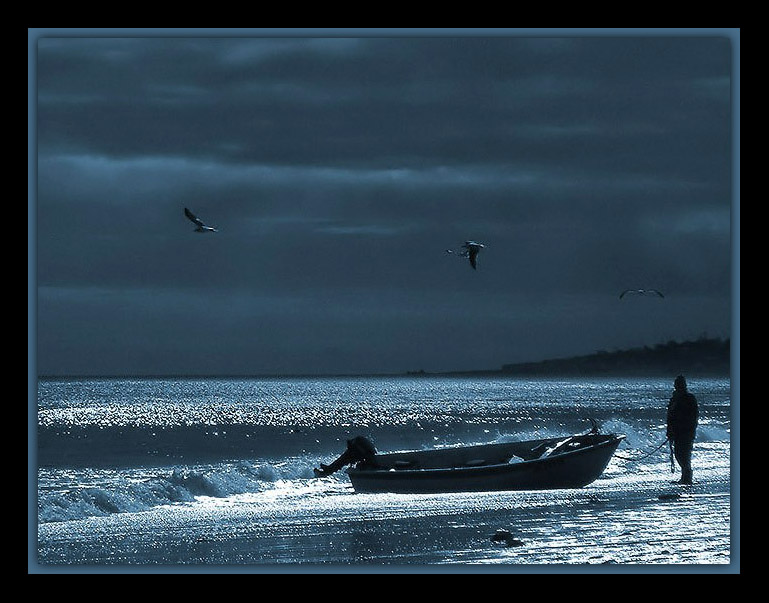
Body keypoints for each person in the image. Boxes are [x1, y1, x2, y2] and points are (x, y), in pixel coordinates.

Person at [666, 374, 699, 485]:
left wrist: (687, 429)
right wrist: (669, 431)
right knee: (678, 454)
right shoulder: (674, 399)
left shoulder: (689, 398)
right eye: (677, 384)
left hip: (686, 432)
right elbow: (670, 417)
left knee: (683, 455)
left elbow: (693, 417)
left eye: (679, 384)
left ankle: (687, 478)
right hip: (676, 432)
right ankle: (684, 477)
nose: (677, 386)